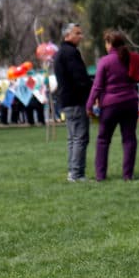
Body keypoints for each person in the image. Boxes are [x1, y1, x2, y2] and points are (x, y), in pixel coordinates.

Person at [85, 29, 139, 181]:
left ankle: (100, 175)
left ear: (109, 44)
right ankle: (128, 175)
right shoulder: (133, 58)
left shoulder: (105, 61)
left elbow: (97, 86)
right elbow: (137, 78)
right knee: (129, 139)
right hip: (130, 102)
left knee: (103, 139)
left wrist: (89, 105)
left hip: (111, 104)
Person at [53, 22, 91, 182]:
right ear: (67, 35)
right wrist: (91, 89)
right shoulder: (70, 53)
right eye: (77, 33)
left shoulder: (61, 52)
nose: (81, 36)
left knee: (72, 137)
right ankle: (77, 173)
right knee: (80, 137)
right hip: (75, 100)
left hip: (66, 100)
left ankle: (72, 171)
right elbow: (79, 77)